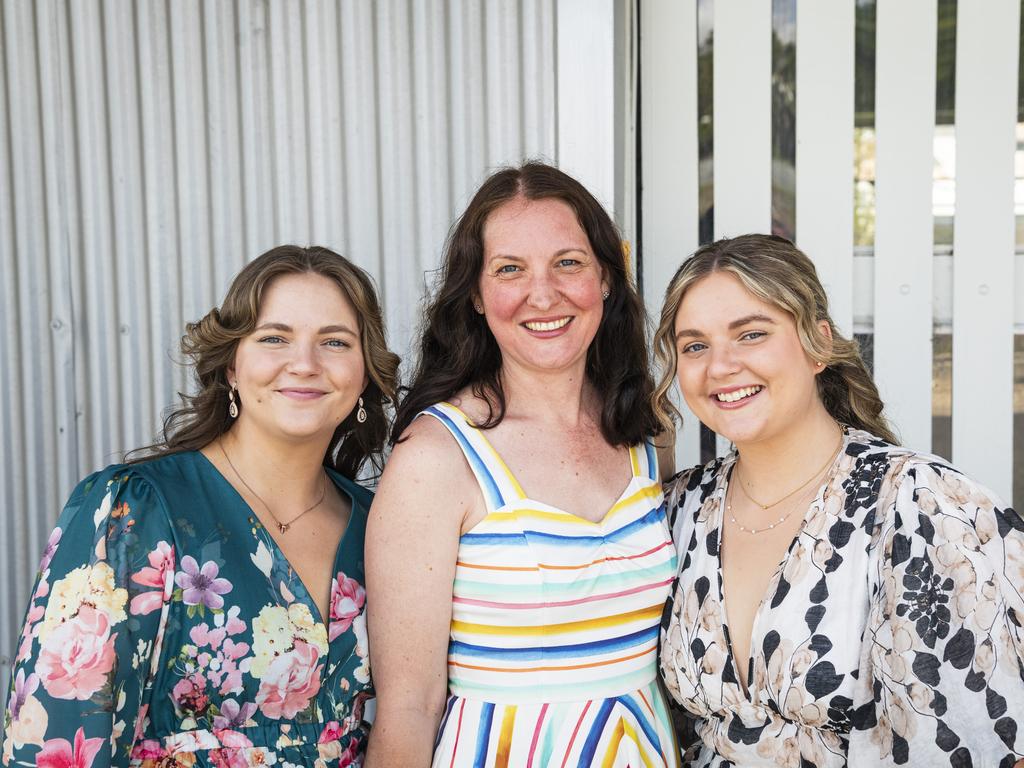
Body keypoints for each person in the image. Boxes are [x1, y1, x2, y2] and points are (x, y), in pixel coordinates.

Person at [1, 245, 399, 767]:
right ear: (232, 366)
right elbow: (60, 731)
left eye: (335, 342)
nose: (304, 363)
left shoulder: (384, 524)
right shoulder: (132, 511)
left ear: (365, 373)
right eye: (274, 337)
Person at [653, 234, 1024, 766]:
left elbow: (995, 738)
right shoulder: (679, 509)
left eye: (751, 334)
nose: (720, 366)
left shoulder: (922, 506)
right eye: (695, 346)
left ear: (818, 345)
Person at [364, 162, 680, 767]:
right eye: (510, 269)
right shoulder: (438, 456)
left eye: (569, 262)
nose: (544, 294)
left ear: (606, 279)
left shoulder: (644, 430)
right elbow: (409, 705)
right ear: (477, 296)